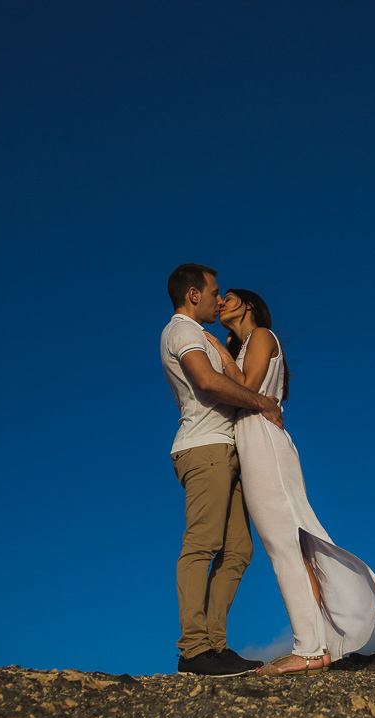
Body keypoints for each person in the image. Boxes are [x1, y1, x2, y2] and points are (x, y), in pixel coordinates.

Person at [205, 288, 375, 677]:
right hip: (256, 441)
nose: (221, 303)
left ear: (249, 305)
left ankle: (308, 648)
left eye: (229, 297)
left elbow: (249, 389)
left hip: (264, 443)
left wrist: (220, 356)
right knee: (288, 543)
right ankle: (320, 644)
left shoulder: (262, 337)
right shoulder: (247, 344)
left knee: (283, 542)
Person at [160, 264, 284, 677]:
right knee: (201, 545)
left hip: (225, 450)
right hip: (204, 448)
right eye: (213, 291)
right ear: (194, 295)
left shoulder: (201, 335)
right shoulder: (182, 331)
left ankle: (215, 646)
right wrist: (261, 401)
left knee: (238, 551)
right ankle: (193, 649)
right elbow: (207, 382)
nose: (218, 298)